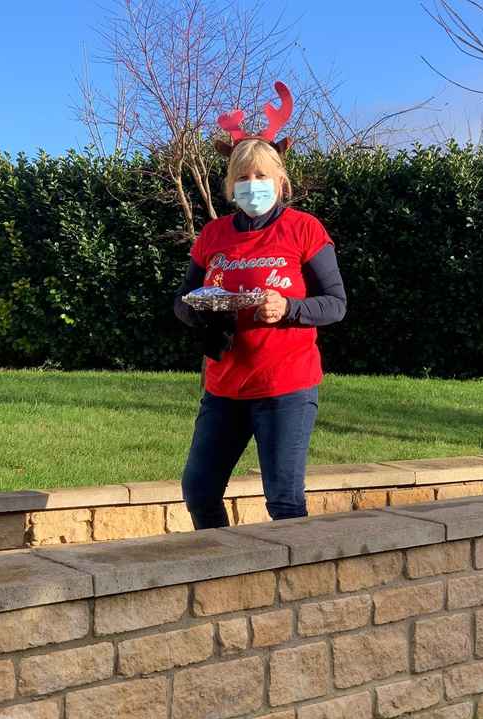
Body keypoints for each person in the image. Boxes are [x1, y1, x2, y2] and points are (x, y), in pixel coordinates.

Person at [174, 82, 346, 530]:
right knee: (199, 489)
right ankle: (220, 566)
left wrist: (287, 307)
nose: (253, 186)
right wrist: (198, 312)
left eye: (262, 176)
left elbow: (335, 304)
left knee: (284, 502)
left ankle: (296, 592)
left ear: (280, 181)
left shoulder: (303, 230)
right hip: (224, 386)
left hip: (285, 383)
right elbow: (182, 301)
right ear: (231, 185)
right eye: (244, 178)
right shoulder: (213, 236)